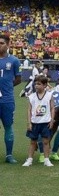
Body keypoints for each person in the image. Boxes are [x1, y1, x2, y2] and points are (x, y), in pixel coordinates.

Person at [22, 75, 54, 167]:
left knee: (46, 141)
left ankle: (46, 159)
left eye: (39, 84)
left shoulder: (49, 95)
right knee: (33, 142)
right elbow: (29, 110)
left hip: (45, 122)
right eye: (35, 84)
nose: (36, 86)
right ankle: (29, 159)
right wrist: (29, 122)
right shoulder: (32, 96)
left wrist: (52, 120)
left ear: (44, 85)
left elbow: (52, 108)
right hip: (35, 122)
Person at [0, 31, 22, 163]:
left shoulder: (13, 60)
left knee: (8, 126)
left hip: (7, 100)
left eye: (2, 43)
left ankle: (9, 155)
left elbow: (18, 79)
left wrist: (6, 88)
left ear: (8, 45)